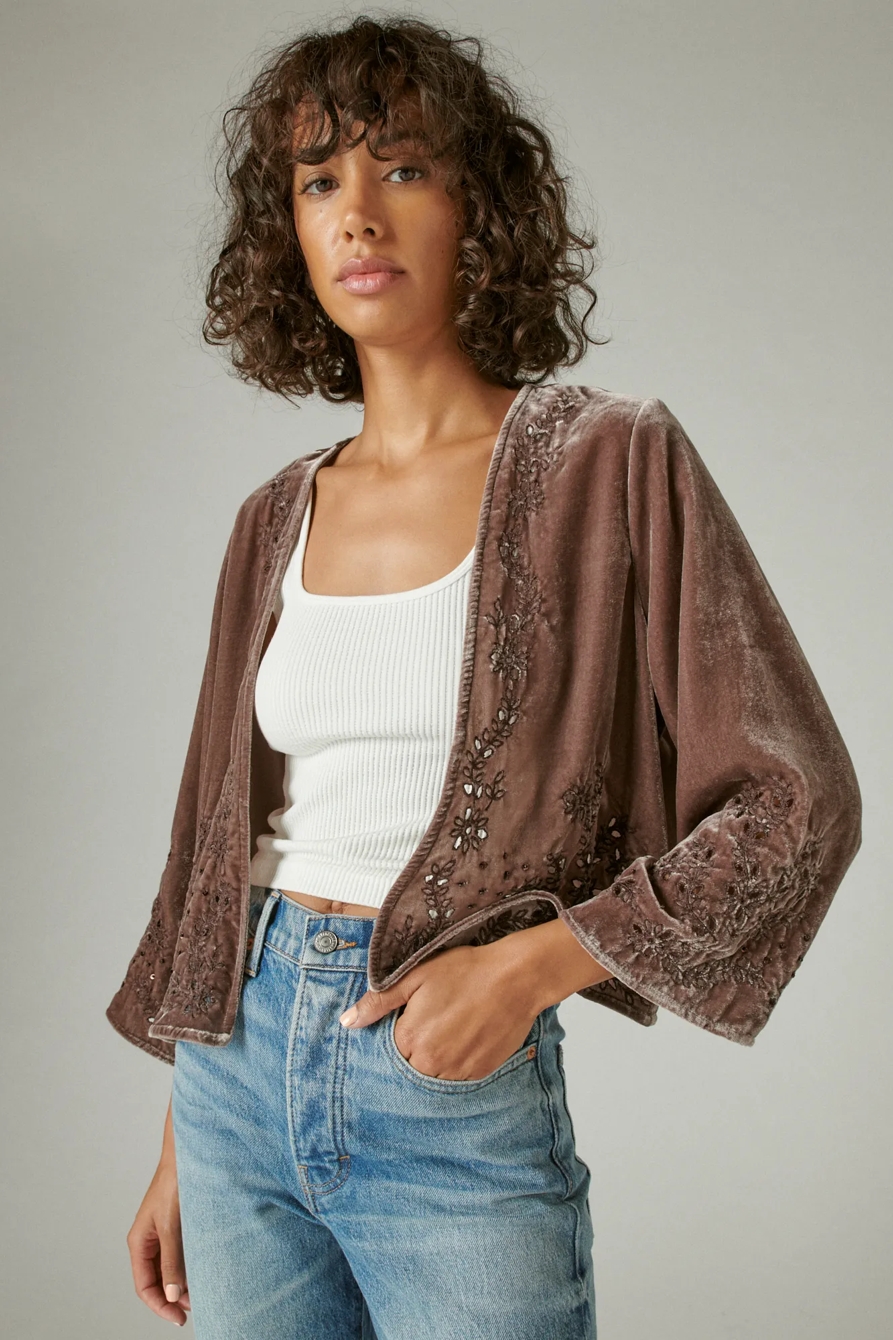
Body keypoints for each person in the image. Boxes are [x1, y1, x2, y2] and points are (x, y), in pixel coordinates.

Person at [110, 15, 861, 1340]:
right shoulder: (271, 517)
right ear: (286, 232)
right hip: (233, 1086)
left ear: (481, 206)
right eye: (319, 181)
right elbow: (224, 844)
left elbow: (796, 795)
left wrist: (536, 966)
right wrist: (183, 1133)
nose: (359, 214)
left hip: (443, 1087)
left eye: (403, 167)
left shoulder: (608, 462)